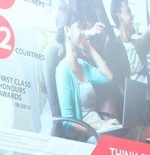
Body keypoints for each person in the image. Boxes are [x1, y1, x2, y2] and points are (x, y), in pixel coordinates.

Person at [54, 5, 150, 144]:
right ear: (67, 31)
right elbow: (68, 125)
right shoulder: (63, 70)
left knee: (144, 132)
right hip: (89, 137)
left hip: (103, 131)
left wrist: (89, 46)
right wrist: (101, 125)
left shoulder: (83, 65)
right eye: (79, 27)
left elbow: (108, 77)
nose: (83, 32)